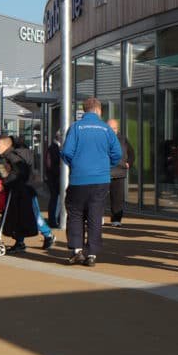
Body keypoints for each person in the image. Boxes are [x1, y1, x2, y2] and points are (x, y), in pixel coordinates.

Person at [61, 97, 121, 265]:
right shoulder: (106, 129)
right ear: (99, 111)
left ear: (84, 110)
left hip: (79, 179)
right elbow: (117, 153)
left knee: (75, 213)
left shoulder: (75, 128)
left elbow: (66, 151)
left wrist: (76, 165)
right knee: (95, 215)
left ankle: (77, 250)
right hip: (101, 179)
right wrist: (106, 164)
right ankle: (92, 254)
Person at [0, 134, 52, 252]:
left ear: (6, 146)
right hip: (15, 191)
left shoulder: (14, 157)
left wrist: (6, 181)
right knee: (18, 216)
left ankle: (48, 235)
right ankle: (19, 242)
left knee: (34, 215)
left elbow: (20, 173)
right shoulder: (2, 158)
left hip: (26, 191)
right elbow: (3, 175)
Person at [107, 117, 133, 226]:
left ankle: (116, 219)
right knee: (99, 197)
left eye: (115, 128)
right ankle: (97, 218)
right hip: (104, 172)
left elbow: (131, 153)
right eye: (110, 128)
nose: (113, 130)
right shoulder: (102, 138)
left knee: (118, 198)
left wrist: (129, 163)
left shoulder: (123, 139)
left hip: (119, 173)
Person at [44, 129, 64, 228]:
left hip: (54, 177)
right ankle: (54, 220)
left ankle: (55, 219)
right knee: (56, 199)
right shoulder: (54, 148)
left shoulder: (54, 147)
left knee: (56, 199)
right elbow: (51, 165)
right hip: (55, 178)